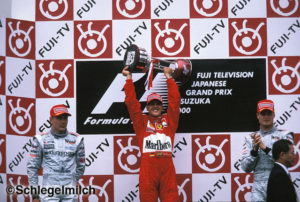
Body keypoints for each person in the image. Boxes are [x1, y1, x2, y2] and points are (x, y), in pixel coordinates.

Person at [122, 65, 180, 202]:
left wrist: (168, 77)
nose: (155, 106)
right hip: (148, 171)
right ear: (147, 107)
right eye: (152, 104)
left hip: (167, 170)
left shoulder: (169, 120)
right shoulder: (141, 122)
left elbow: (175, 102)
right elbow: (131, 103)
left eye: (158, 104)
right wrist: (128, 78)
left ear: (162, 106)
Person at [27, 104, 85, 202]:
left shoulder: (77, 139)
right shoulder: (40, 139)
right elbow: (32, 168)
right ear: (51, 119)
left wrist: (70, 180)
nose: (63, 122)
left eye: (65, 118)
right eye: (59, 118)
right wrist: (35, 196)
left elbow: (81, 166)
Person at [241, 99, 294, 201]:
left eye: (269, 113)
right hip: (258, 187)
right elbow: (245, 168)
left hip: (280, 182)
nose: (266, 117)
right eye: (263, 113)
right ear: (257, 115)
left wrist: (264, 148)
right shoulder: (250, 138)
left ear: (273, 115)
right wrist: (254, 151)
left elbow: (288, 160)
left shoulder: (284, 135)